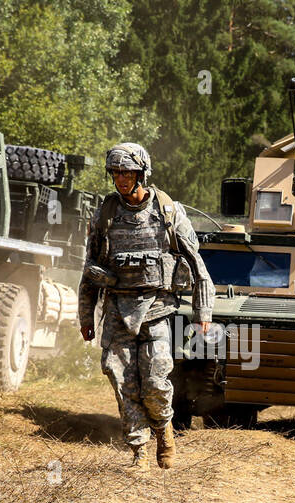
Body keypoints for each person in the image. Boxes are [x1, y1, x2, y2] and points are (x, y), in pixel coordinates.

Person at [78, 143, 214, 471]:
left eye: (127, 172)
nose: (121, 179)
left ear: (141, 174)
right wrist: (86, 315)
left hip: (157, 309)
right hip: (116, 310)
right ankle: (138, 452)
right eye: (116, 173)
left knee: (154, 382)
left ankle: (164, 431)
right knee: (122, 380)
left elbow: (197, 264)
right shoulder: (106, 213)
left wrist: (202, 311)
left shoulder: (167, 211)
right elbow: (90, 266)